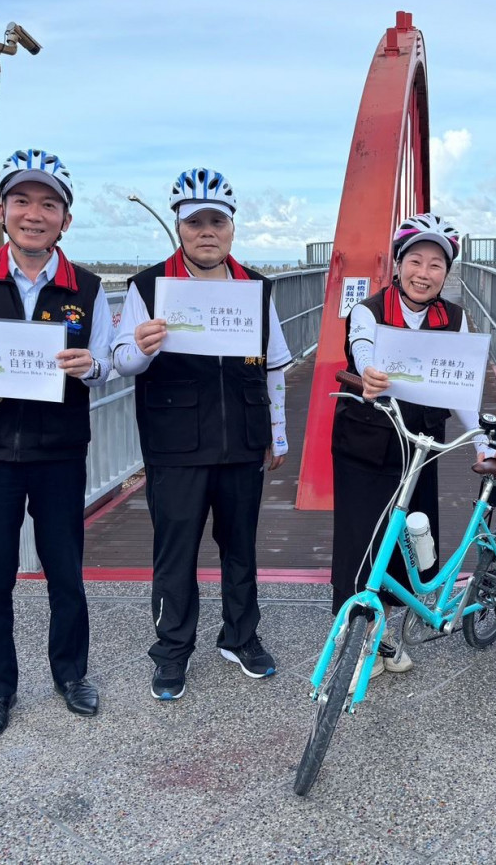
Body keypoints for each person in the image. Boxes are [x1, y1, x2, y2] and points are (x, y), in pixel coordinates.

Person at [0, 148, 112, 742]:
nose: (35, 214)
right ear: (2, 211)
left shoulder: (85, 285)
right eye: (22, 201)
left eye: (49, 203)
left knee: (66, 572)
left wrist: (90, 365)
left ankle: (70, 675)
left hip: (58, 450)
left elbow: (106, 360)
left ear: (66, 218)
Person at [112, 167, 292, 702]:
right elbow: (121, 362)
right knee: (176, 550)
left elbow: (276, 365)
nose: (206, 231)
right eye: (195, 223)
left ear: (232, 229)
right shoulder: (149, 287)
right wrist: (142, 345)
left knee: (240, 547)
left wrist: (276, 434)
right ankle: (172, 650)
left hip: (241, 438)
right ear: (179, 227)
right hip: (175, 444)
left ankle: (241, 637)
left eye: (217, 221)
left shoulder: (257, 288)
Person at [331, 213, 496, 681]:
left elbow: (462, 389)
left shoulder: (453, 319)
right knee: (361, 542)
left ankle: (384, 634)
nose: (424, 272)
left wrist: (480, 444)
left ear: (448, 272)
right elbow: (362, 348)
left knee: (408, 545)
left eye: (437, 264)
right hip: (367, 441)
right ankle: (356, 638)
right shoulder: (370, 310)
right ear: (397, 265)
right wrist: (370, 371)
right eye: (415, 259)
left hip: (421, 446)